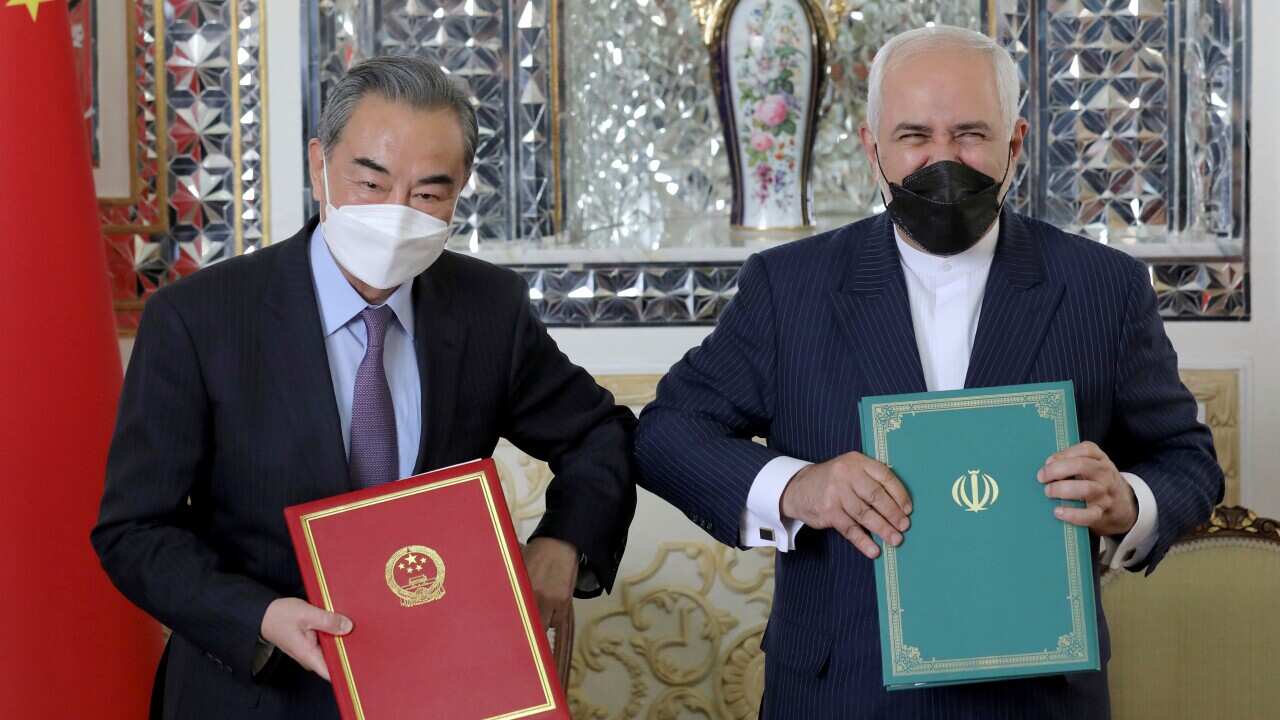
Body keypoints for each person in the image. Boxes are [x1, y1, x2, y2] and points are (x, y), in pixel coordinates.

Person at [635, 26, 1222, 718]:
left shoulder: (1103, 287)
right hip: (839, 692)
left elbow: (1186, 460)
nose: (943, 159)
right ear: (872, 148)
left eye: (970, 134)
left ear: (1015, 143)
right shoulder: (787, 287)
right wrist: (798, 486)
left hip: (1036, 696)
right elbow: (667, 433)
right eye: (914, 136)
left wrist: (1128, 502)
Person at [92, 55, 636, 719]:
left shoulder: (486, 308)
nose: (395, 213)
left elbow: (598, 432)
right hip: (251, 691)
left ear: (461, 192)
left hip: (436, 687)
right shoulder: (199, 319)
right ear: (319, 164)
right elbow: (134, 529)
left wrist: (562, 543)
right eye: (371, 182)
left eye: (428, 194)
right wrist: (259, 616)